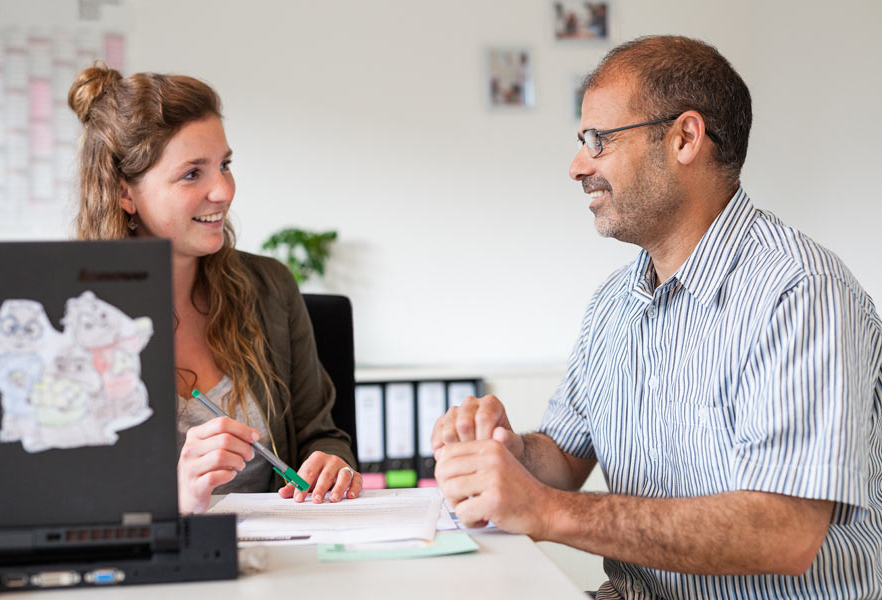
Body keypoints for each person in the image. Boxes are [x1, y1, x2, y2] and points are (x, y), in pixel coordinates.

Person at [432, 35, 881, 598]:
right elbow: (565, 457)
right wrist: (508, 452)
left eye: (598, 140)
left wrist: (546, 510)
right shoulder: (614, 304)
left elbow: (784, 532)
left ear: (684, 138)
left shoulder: (799, 293)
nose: (576, 166)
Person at [68, 63, 362, 515]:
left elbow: (321, 434)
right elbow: (57, 494)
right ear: (126, 193)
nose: (223, 190)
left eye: (224, 165)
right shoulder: (71, 320)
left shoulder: (270, 289)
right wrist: (175, 493)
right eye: (192, 174)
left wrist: (331, 463)